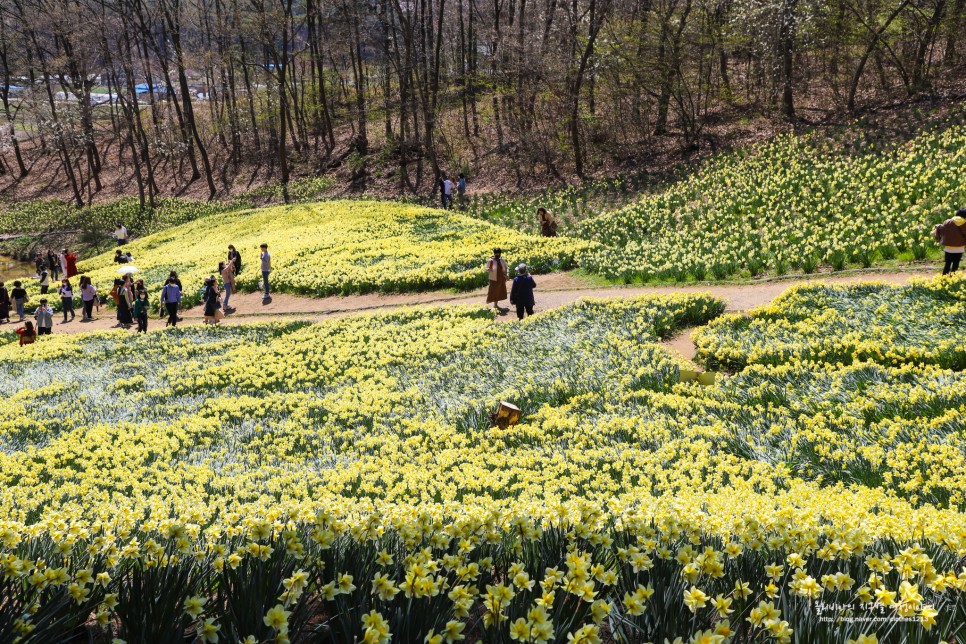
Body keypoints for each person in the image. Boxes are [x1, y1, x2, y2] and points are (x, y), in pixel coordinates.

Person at [934, 209, 966, 275]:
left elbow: (942, 230)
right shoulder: (964, 223)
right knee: (955, 265)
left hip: (948, 248)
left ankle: (944, 279)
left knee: (947, 264)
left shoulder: (947, 222)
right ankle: (953, 280)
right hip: (959, 248)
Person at [485, 248, 510, 313]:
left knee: (499, 292)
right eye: (496, 253)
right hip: (493, 278)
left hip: (501, 278)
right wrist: (489, 269)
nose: (497, 254)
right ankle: (487, 306)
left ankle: (495, 305)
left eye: (498, 253)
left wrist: (507, 275)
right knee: (492, 292)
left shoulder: (502, 260)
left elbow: (506, 267)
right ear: (494, 253)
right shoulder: (491, 260)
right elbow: (486, 268)